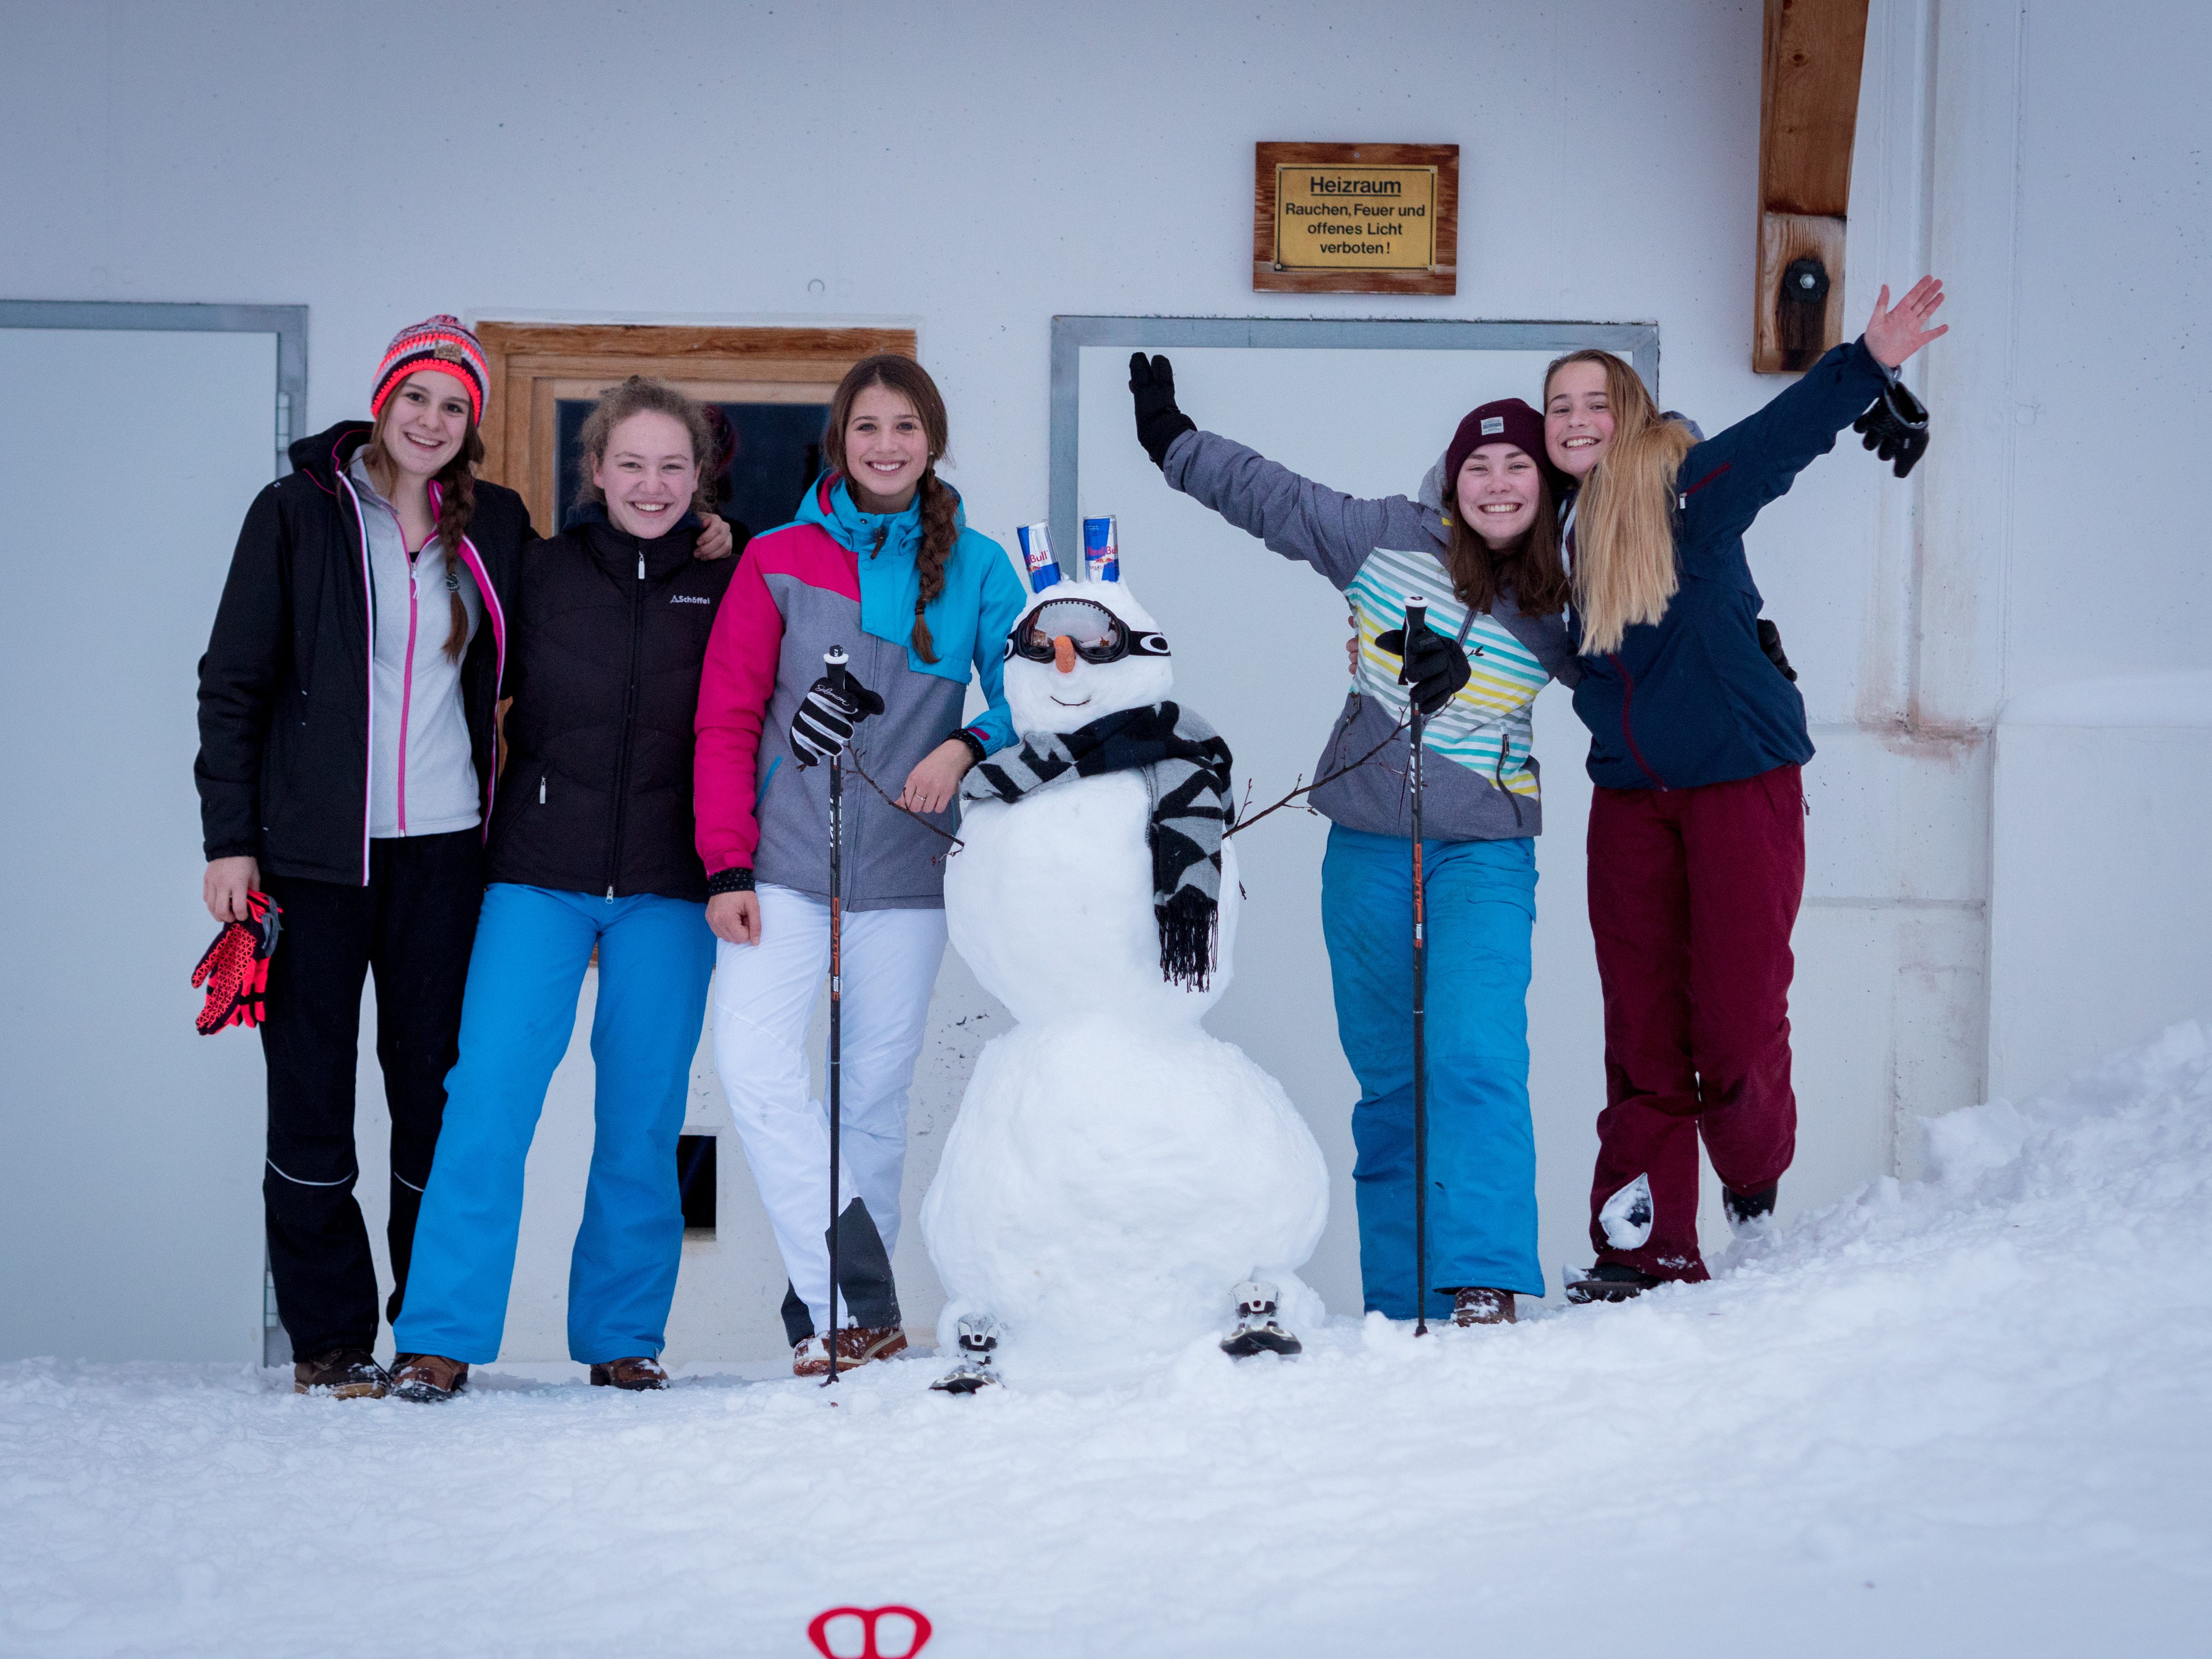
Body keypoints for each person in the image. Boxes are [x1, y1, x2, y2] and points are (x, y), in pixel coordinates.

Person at [1124, 354, 1581, 1327]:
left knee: (1475, 1056)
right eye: (1479, 466)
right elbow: (1277, 499)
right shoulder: (1383, 539)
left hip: (1485, 853)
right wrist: (1174, 443)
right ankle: (1402, 1301)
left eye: (1518, 466)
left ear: (1545, 484)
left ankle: (1483, 1279)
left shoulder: (1566, 588)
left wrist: (1744, 654)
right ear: (1451, 481)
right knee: (1391, 1082)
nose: (1498, 484)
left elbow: (1646, 656)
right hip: (1371, 842)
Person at [1546, 277, 1949, 1298]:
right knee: (1641, 1027)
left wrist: (1867, 365)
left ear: (1630, 414)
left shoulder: (1685, 493)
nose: (1577, 420)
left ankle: (1754, 1187)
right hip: (1629, 797)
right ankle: (1645, 1250)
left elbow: (1776, 443)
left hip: (1738, 780)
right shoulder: (1550, 533)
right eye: (1560, 407)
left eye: (1596, 402)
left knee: (1734, 1016)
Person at [195, 317, 530, 1398]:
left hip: (445, 857)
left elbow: (585, 598)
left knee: (434, 1096)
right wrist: (231, 842)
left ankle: (428, 1329)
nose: (432, 421)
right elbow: (232, 683)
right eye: (416, 398)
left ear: (473, 422)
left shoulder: (496, 525)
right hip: (311, 861)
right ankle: (331, 1339)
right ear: (383, 401)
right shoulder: (296, 512)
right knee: (310, 1094)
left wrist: (710, 536)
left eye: (454, 406)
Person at [387, 378, 738, 1401]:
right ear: (594, 470)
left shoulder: (732, 578)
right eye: (630, 463)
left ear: (700, 478)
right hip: (536, 873)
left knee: (643, 1116)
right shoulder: (536, 570)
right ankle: (439, 1337)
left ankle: (622, 1338)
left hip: (671, 885)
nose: (651, 485)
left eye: (672, 466)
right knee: (486, 1099)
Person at [695, 354, 1026, 1376]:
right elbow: (726, 716)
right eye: (868, 427)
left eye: (905, 427)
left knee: (874, 1101)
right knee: (754, 1069)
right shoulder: (777, 557)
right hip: (783, 865)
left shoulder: (979, 566)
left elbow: (1038, 698)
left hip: (908, 872)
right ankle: (857, 1293)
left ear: (933, 441)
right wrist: (727, 864)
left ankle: (844, 1322)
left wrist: (966, 743)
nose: (886, 445)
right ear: (838, 440)